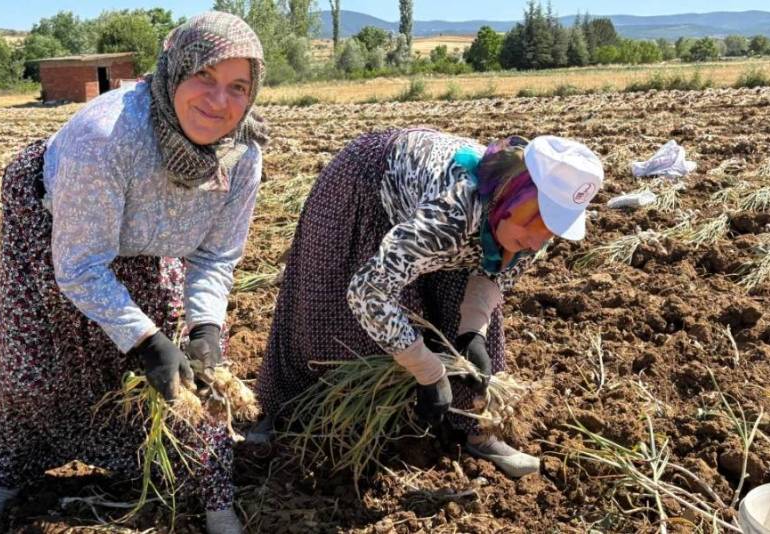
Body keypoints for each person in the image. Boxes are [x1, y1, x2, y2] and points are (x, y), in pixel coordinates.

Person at [0, 12, 266, 534]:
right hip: (54, 231)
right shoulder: (106, 137)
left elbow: (216, 257)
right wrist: (146, 341)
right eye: (205, 77)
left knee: (191, 385)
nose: (220, 102)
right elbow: (81, 265)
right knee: (34, 371)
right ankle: (6, 483)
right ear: (175, 71)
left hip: (149, 243)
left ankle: (216, 502)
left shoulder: (241, 154)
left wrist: (206, 330)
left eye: (238, 87)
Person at [254, 129, 604, 478]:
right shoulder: (452, 212)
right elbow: (369, 292)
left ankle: (475, 429)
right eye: (536, 222)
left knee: (461, 325)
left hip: (452, 217)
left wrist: (473, 332)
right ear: (514, 197)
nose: (537, 240)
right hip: (368, 184)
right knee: (328, 312)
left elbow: (493, 276)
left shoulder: (528, 230)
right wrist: (427, 370)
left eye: (551, 229)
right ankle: (285, 412)